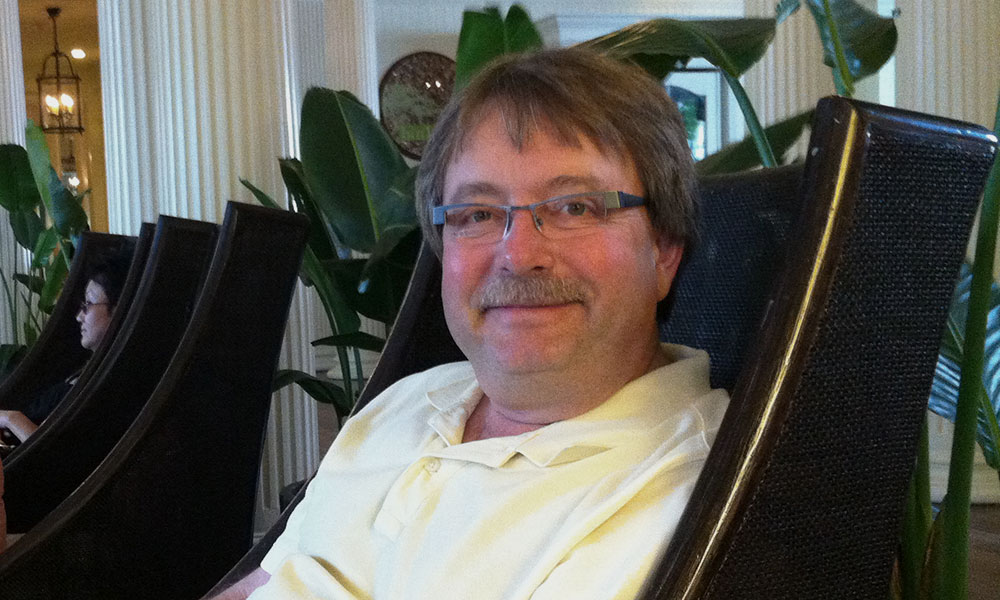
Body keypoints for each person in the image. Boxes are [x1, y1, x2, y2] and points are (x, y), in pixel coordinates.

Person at [214, 47, 729, 600]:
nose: (519, 252)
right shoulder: (412, 399)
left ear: (664, 249)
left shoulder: (681, 498)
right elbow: (266, 581)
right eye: (478, 214)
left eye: (575, 207)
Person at [0, 249, 132, 444]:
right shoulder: (84, 369)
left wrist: (11, 419)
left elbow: (54, 454)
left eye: (88, 304)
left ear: (119, 310)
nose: (79, 316)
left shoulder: (110, 385)